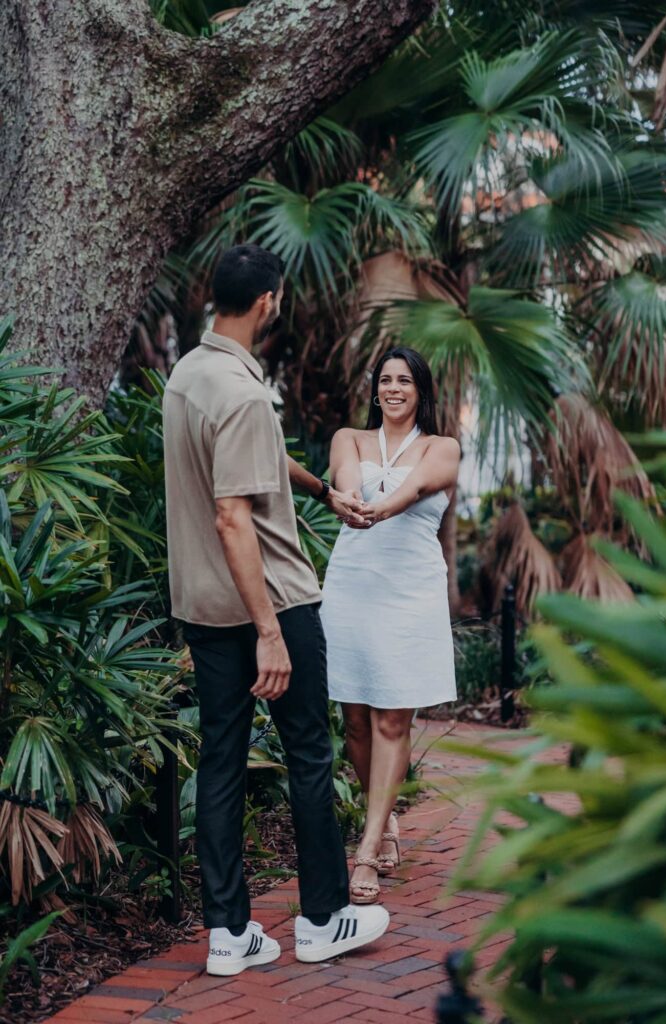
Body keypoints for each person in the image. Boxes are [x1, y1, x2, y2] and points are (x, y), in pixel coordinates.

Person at [162, 244, 390, 976]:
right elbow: (234, 515)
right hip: (273, 602)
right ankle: (323, 919)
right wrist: (269, 631)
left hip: (201, 604)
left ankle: (229, 936)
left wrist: (324, 491)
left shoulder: (189, 376)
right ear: (268, 302)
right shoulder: (241, 391)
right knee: (309, 756)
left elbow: (256, 462)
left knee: (221, 760)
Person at [320, 347, 459, 904]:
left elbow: (421, 487)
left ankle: (367, 849)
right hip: (353, 584)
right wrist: (354, 503)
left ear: (421, 390)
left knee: (392, 723)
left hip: (410, 593)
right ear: (374, 389)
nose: (394, 388)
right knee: (355, 724)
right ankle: (387, 820)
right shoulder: (349, 437)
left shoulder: (441, 446)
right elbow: (347, 483)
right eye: (385, 380)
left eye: (405, 380)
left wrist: (381, 508)